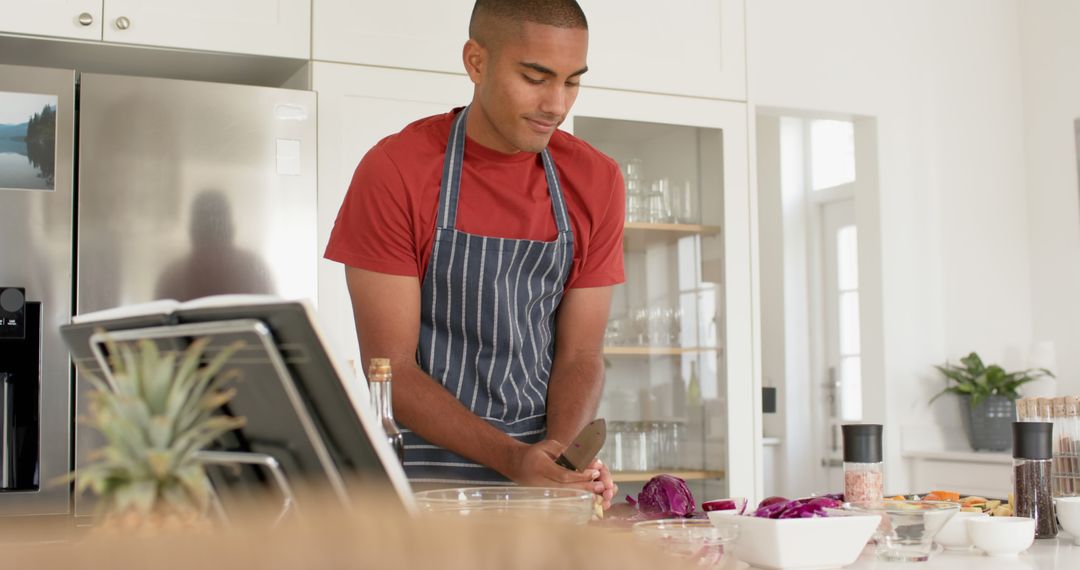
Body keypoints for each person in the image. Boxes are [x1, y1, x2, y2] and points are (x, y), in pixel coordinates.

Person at [324, 0, 623, 509]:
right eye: (535, 77)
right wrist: (511, 459)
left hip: (540, 482)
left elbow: (580, 355)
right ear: (476, 62)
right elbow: (391, 367)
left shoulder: (596, 180)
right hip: (422, 487)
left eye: (572, 81)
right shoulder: (397, 170)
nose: (556, 104)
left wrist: (563, 463)